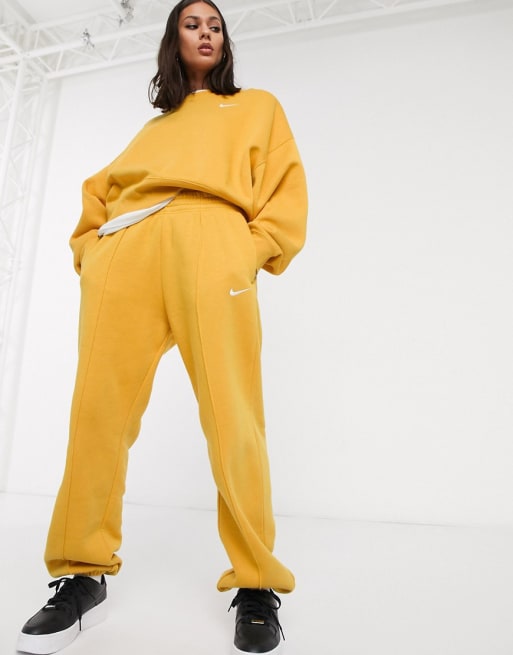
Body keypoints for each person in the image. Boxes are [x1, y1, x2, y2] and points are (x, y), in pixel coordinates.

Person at [17, 1, 307, 653]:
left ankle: (256, 582)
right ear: (172, 41)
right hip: (128, 253)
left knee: (233, 417)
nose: (206, 32)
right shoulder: (154, 128)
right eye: (191, 24)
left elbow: (286, 192)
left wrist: (248, 248)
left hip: (214, 242)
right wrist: (94, 252)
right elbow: (100, 189)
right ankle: (80, 574)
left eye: (215, 25)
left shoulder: (256, 107)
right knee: (97, 413)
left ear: (225, 41)